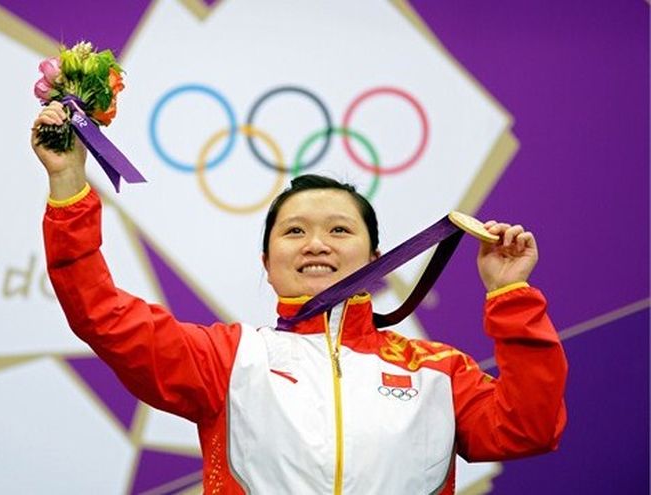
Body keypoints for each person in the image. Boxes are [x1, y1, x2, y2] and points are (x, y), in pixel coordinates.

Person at [32, 101, 567, 494]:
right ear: (267, 263)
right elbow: (100, 312)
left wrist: (510, 294)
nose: (316, 244)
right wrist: (69, 182)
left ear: (376, 258)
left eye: (339, 230)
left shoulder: (438, 373)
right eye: (294, 232)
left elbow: (529, 428)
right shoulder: (227, 362)